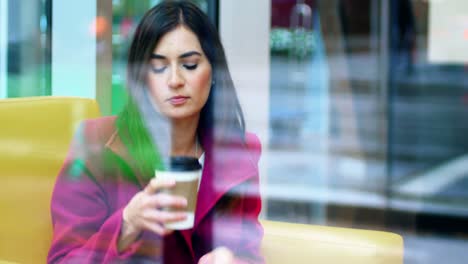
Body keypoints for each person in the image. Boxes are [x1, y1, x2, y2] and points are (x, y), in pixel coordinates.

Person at [47, 1, 264, 263]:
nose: (175, 80)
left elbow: (249, 252)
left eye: (190, 65)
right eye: (159, 67)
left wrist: (234, 260)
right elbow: (65, 260)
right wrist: (127, 225)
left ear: (214, 71)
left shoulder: (237, 151)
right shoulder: (95, 143)